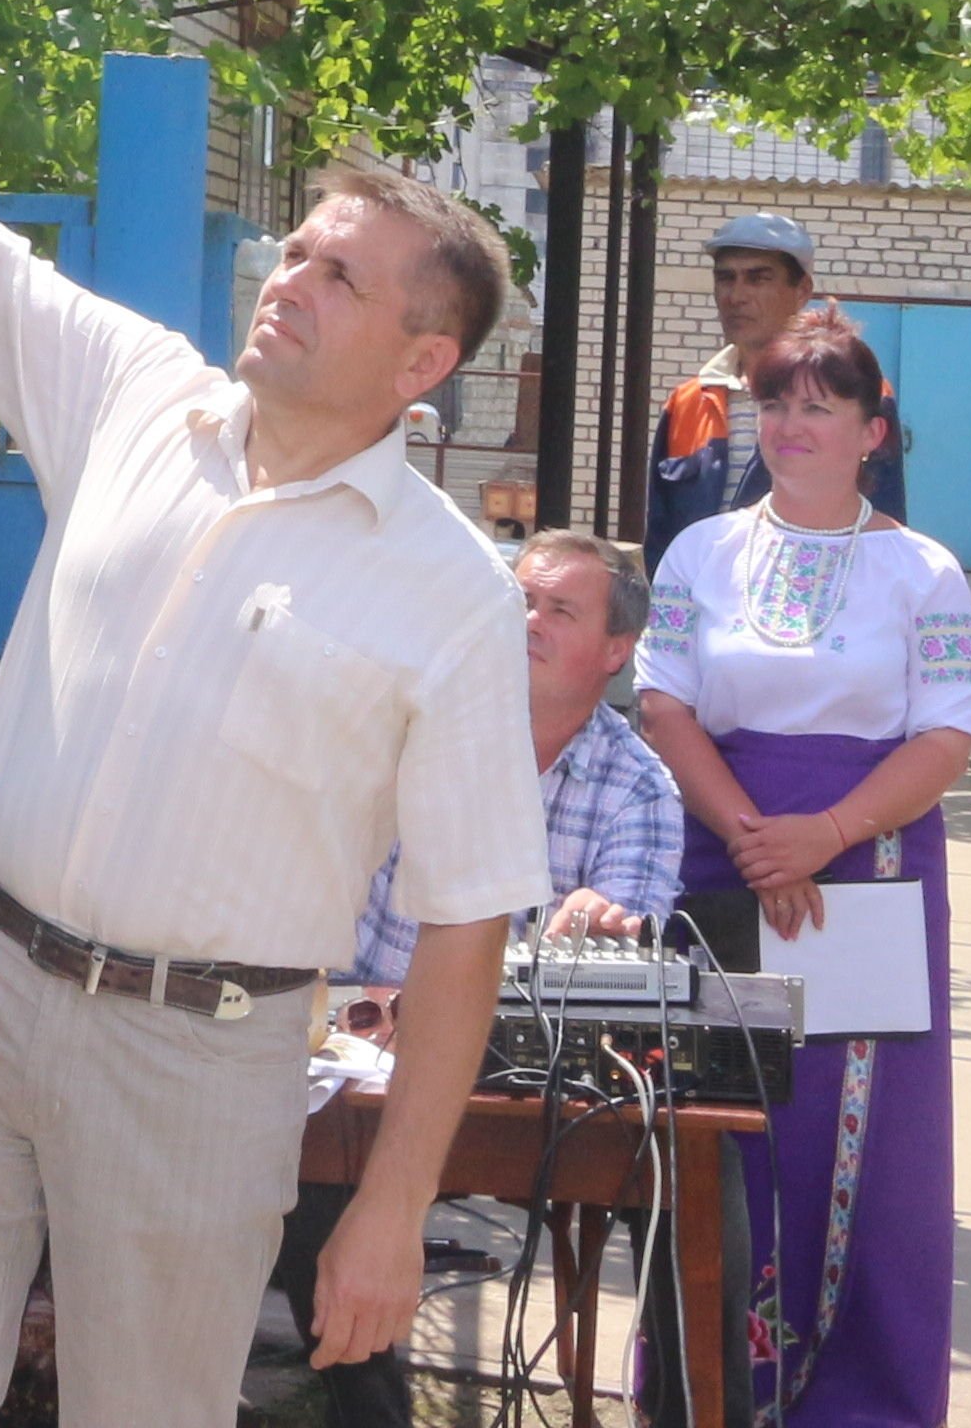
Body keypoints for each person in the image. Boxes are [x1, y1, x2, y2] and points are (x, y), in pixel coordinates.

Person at [0, 52, 545, 1428]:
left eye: (339, 277)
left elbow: (469, 924)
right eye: (296, 250)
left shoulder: (455, 592)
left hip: (201, 1055)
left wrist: (394, 1210)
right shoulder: (138, 394)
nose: (289, 279)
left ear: (424, 361)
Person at [630, 319, 971, 1427]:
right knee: (725, 1125)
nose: (789, 427)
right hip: (724, 853)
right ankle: (707, 1390)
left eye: (818, 408)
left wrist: (822, 834)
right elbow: (662, 702)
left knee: (866, 1150)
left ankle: (863, 1403)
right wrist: (750, 835)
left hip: (866, 869)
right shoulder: (701, 555)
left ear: (872, 433)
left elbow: (949, 736)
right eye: (776, 403)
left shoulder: (921, 570)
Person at [268, 531, 687, 1428]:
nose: (527, 621)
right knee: (297, 1187)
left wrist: (597, 929)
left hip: (506, 1074)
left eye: (558, 610)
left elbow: (626, 938)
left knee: (691, 1184)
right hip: (352, 1047)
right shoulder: (408, 728)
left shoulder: (638, 788)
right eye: (518, 602)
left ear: (616, 652)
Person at [643, 213, 905, 570]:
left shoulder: (856, 392)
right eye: (726, 278)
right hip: (702, 610)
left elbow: (882, 520)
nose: (737, 296)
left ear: (802, 291)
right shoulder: (689, 401)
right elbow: (661, 534)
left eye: (758, 278)